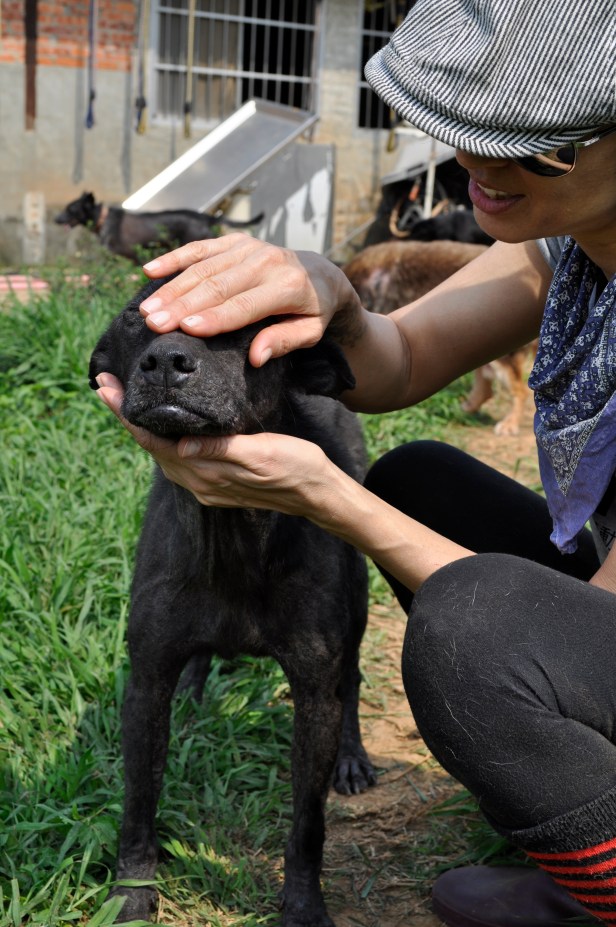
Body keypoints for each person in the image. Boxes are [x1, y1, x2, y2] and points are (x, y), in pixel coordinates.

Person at [95, 0, 616, 923]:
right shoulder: (568, 244)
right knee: (417, 477)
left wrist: (329, 499)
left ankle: (598, 881)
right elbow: (399, 358)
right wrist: (329, 293)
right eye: (461, 128)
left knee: (471, 634)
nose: (479, 165)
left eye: (538, 142)